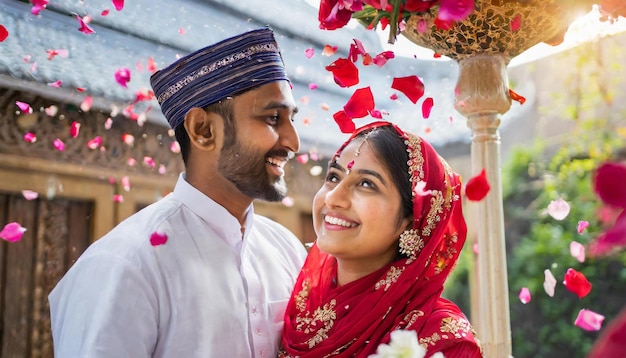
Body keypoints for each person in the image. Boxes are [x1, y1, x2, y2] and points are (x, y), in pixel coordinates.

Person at [48, 27, 307, 357]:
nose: (292, 142)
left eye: (291, 119)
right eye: (273, 118)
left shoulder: (285, 249)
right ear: (203, 130)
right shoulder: (124, 265)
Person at [280, 121, 483, 357]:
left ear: (412, 218)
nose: (334, 197)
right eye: (334, 177)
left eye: (366, 184)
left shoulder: (440, 339)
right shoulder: (297, 302)